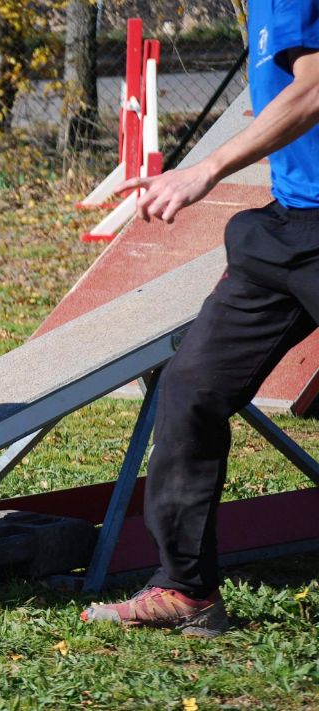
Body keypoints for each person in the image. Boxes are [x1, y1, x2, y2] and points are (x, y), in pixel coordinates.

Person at [81, 3, 319, 637]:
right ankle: (186, 589)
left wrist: (207, 169)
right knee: (189, 390)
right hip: (285, 230)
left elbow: (316, 86)